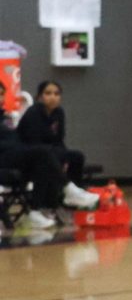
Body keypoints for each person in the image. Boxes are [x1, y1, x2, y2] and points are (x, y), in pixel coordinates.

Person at [16, 81, 98, 209]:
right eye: (48, 93)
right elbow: (33, 141)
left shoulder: (58, 113)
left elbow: (59, 140)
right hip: (30, 154)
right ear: (39, 97)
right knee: (47, 153)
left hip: (50, 151)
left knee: (76, 156)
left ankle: (72, 195)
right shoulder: (33, 113)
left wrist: (64, 158)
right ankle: (67, 189)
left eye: (56, 93)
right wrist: (57, 156)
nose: (53, 97)